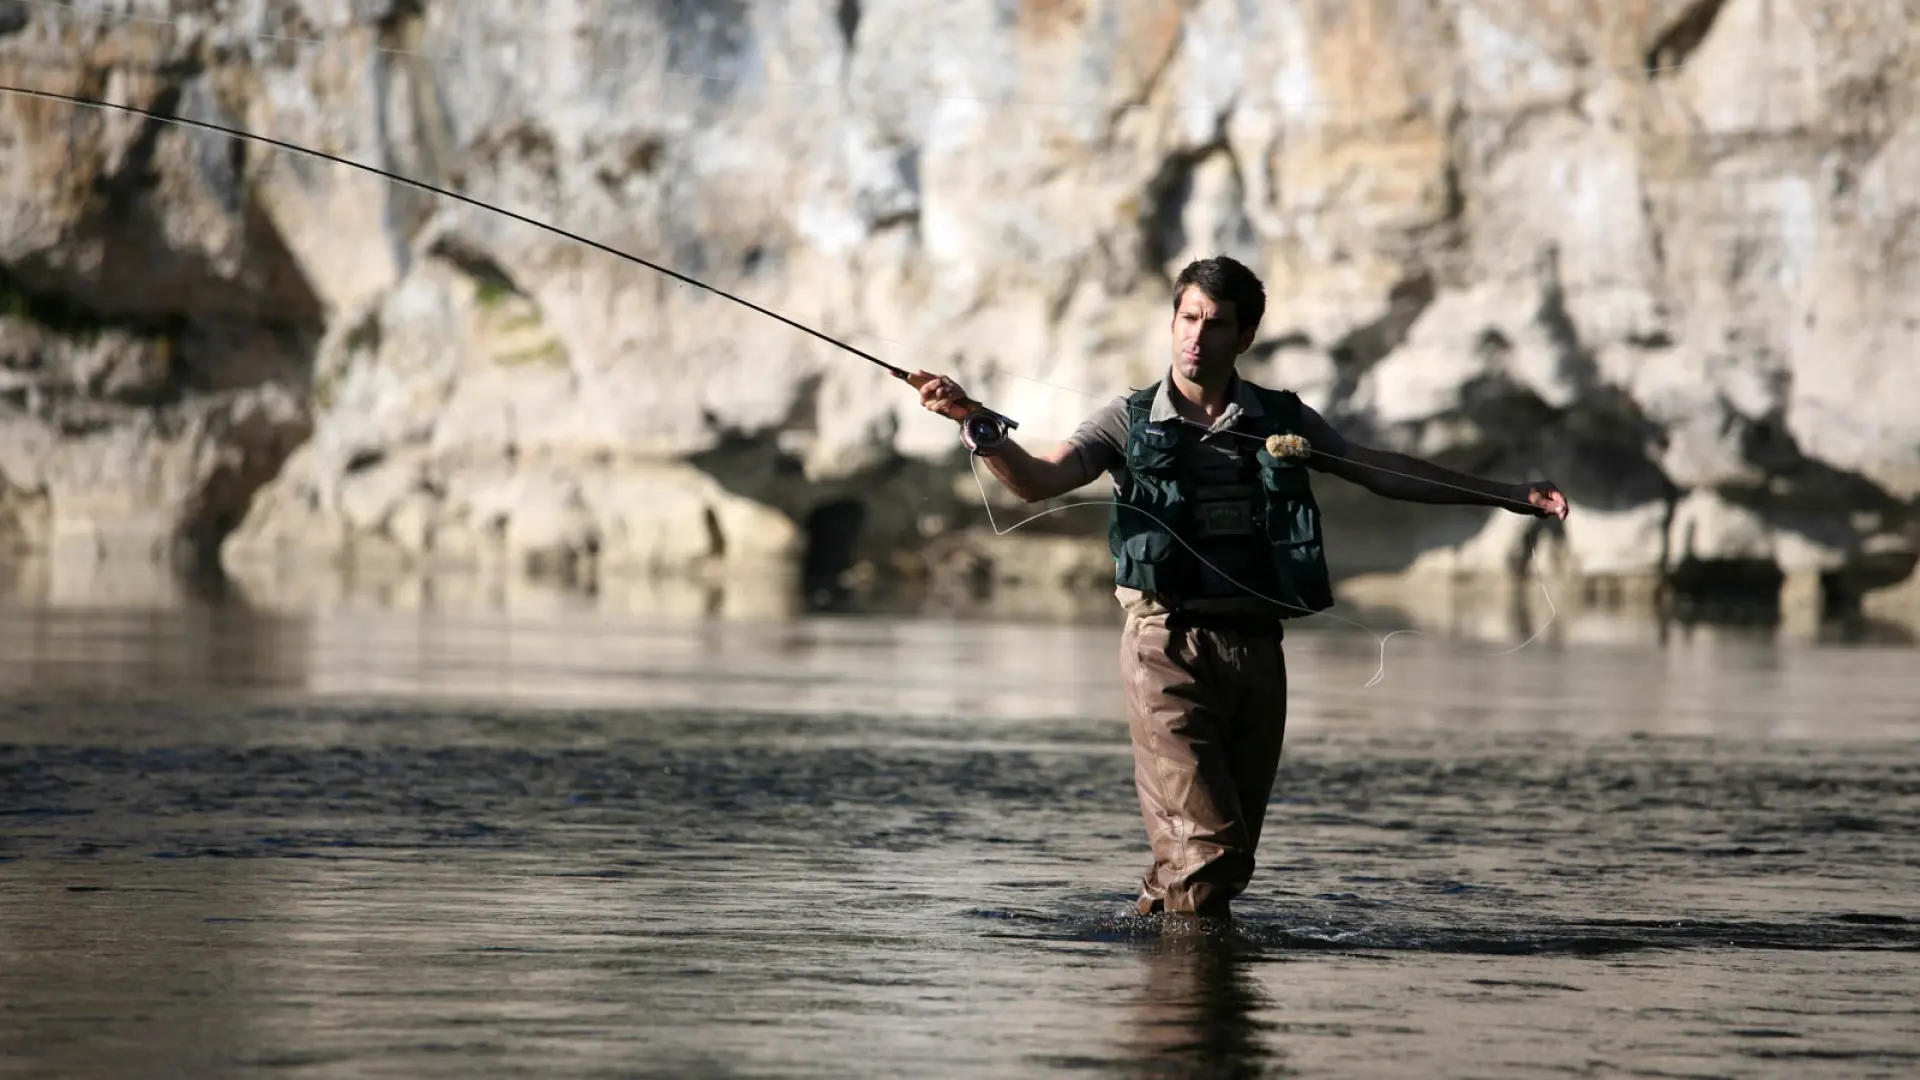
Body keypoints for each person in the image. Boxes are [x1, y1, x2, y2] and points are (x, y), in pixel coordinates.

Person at [914, 255, 1570, 919]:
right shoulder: (1126, 419)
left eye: (1216, 324)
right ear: (1172, 322)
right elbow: (1040, 479)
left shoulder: (1282, 421)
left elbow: (1380, 470)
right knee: (1210, 851)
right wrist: (977, 424)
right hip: (1162, 652)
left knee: (1219, 860)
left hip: (1256, 652)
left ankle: (1157, 970)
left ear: (1244, 337)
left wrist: (1508, 495)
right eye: (1187, 318)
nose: (1197, 336)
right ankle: (1198, 1015)